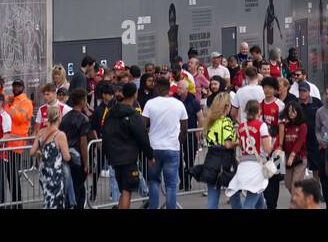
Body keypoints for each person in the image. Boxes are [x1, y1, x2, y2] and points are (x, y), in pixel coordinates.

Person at [102, 83, 152, 210]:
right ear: (135, 95)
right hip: (128, 158)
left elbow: (105, 133)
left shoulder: (111, 112)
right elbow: (142, 137)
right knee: (126, 190)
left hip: (114, 157)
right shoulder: (133, 115)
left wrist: (107, 153)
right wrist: (150, 156)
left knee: (123, 187)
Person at [141, 77, 187, 210]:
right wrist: (178, 143)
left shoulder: (150, 103)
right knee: (171, 185)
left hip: (154, 147)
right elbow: (184, 129)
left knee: (154, 181)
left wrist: (146, 145)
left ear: (158, 88)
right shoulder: (178, 104)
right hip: (172, 148)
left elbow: (143, 125)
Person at [227, 99, 272, 209]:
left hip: (244, 165)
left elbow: (242, 146)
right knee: (251, 199)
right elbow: (267, 149)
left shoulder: (242, 126)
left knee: (257, 196)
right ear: (259, 111)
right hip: (256, 166)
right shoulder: (262, 126)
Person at [198, 91, 237, 209]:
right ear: (226, 106)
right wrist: (240, 142)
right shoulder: (226, 122)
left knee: (212, 200)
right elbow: (228, 144)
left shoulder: (210, 121)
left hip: (211, 160)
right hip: (225, 161)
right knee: (234, 196)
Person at [30, 103, 71, 209]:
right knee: (56, 202)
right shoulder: (60, 135)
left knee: (48, 199)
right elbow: (66, 157)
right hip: (55, 173)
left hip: (43, 172)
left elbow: (32, 151)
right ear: (59, 117)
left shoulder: (40, 132)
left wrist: (40, 153)